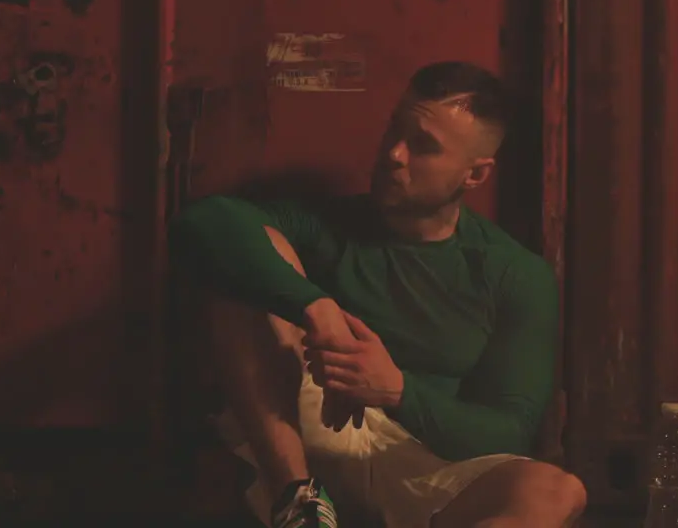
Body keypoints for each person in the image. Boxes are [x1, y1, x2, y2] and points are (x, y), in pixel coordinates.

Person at [168, 61, 587, 528]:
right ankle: (299, 505)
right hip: (306, 439)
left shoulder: (514, 274)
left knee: (559, 492)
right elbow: (202, 223)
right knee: (244, 265)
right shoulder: (328, 225)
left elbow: (508, 430)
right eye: (395, 130)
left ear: (475, 175)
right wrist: (315, 305)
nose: (394, 154)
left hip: (422, 463)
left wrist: (397, 390)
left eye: (423, 146)